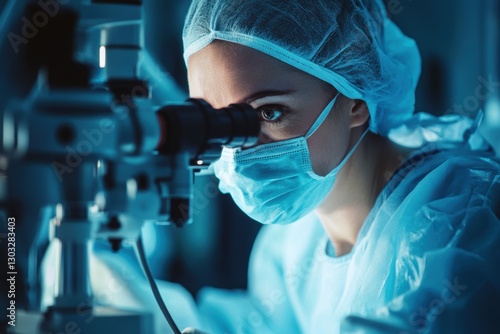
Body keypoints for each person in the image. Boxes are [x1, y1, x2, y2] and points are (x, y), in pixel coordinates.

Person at [177, 0, 500, 333]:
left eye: (269, 112)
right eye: (216, 124)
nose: (237, 151)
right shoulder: (293, 239)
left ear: (355, 101)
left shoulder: (456, 216)